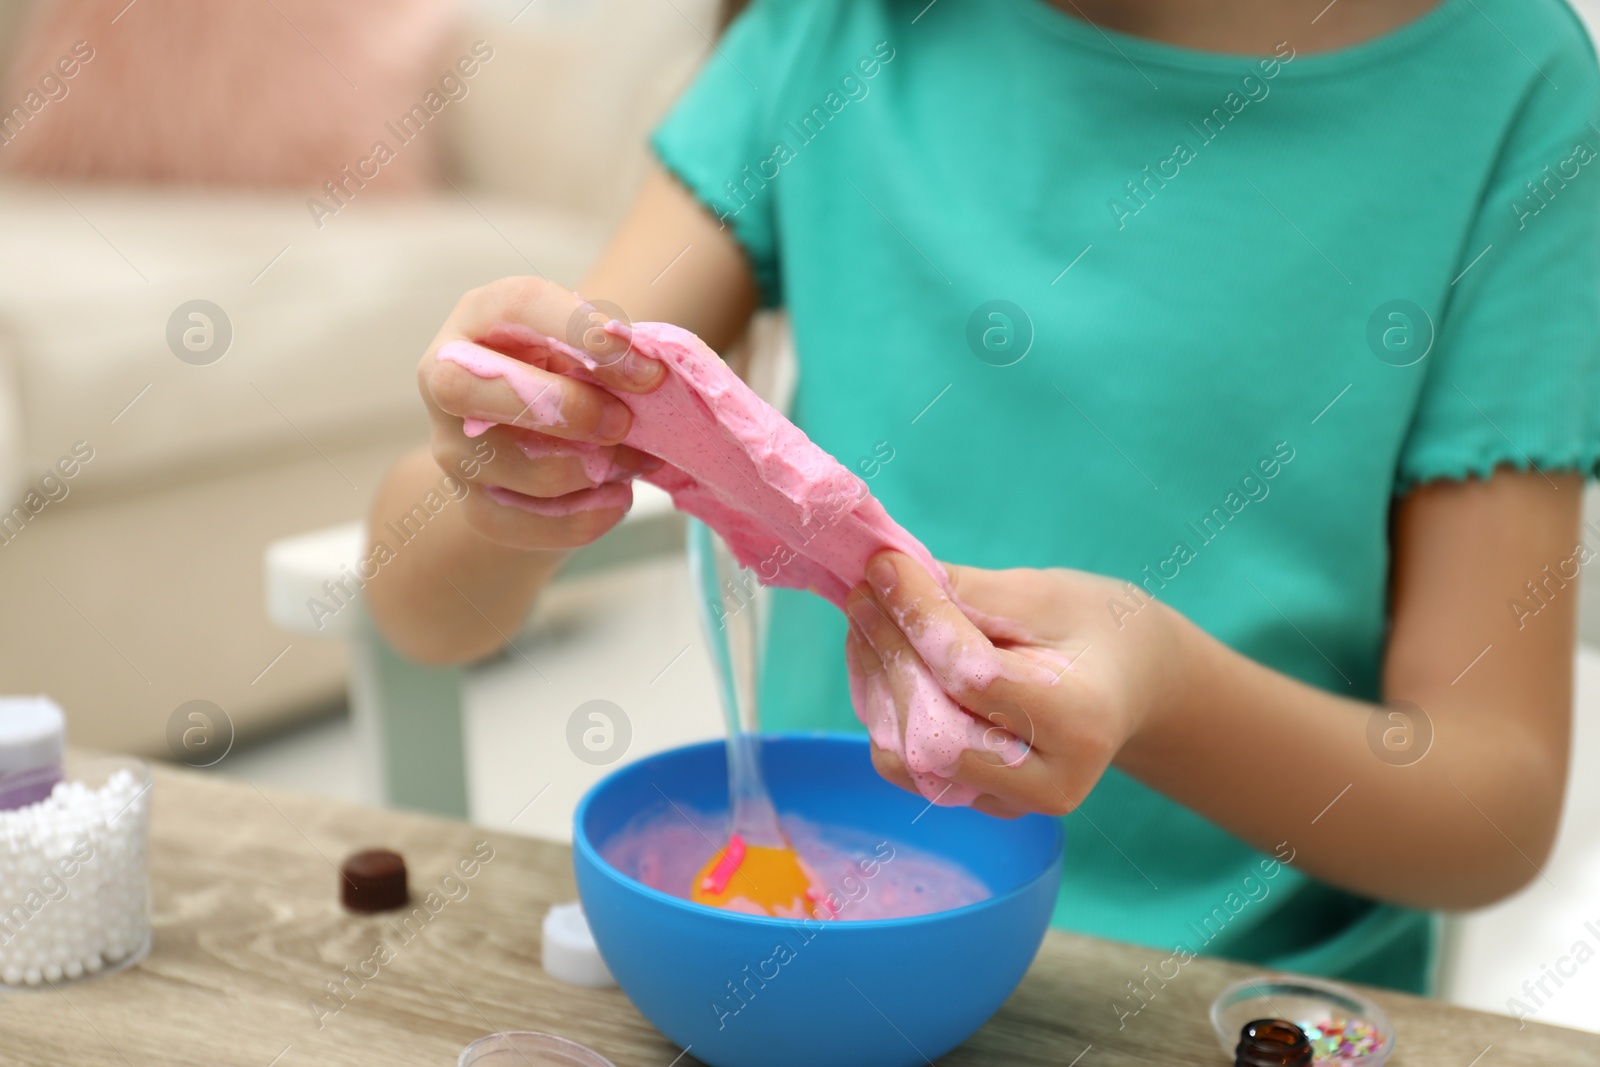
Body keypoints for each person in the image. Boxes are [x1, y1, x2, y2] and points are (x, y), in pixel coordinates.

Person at [367, 0, 1600, 992]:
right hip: (819, 960)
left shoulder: (1511, 87)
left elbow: (1486, 807)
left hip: (1232, 1004)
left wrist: (1162, 686)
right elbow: (416, 607)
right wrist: (494, 483)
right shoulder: (828, 36)